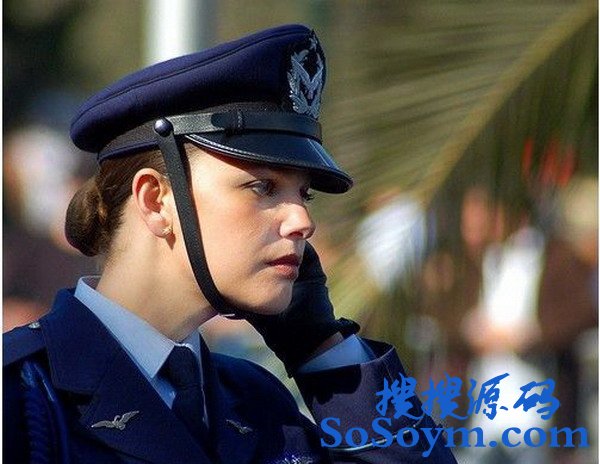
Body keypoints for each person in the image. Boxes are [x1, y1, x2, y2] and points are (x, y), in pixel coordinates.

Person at [4, 24, 457, 463]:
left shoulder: (258, 403)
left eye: (304, 194)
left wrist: (323, 349)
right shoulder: (22, 398)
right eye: (263, 187)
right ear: (156, 200)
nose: (303, 221)